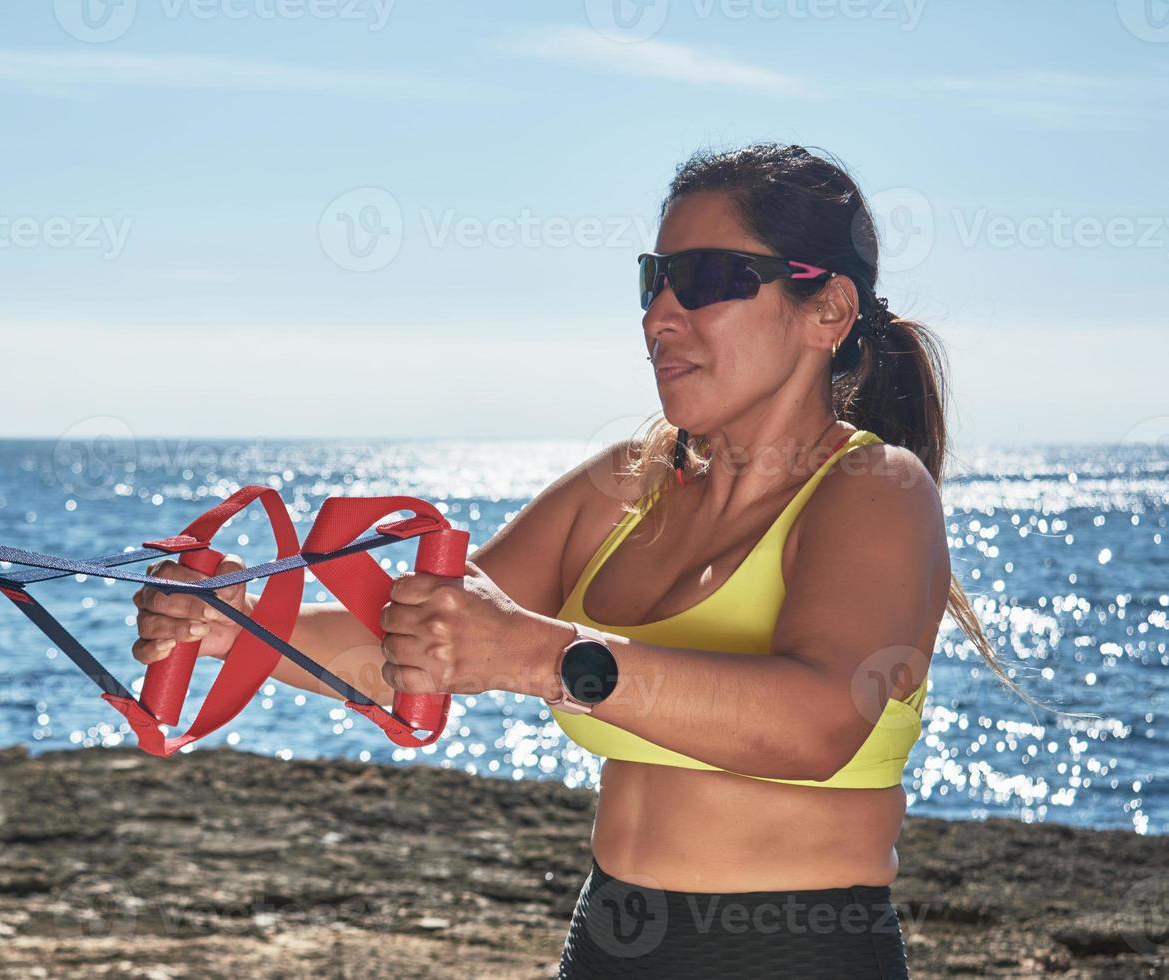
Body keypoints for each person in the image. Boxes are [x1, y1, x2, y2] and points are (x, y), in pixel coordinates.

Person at [130, 143, 1014, 978]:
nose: (659, 315)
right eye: (653, 281)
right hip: (606, 944)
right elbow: (419, 651)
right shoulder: (623, 488)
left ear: (827, 309)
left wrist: (533, 655)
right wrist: (233, 625)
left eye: (708, 279)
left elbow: (819, 724)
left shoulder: (875, 490)